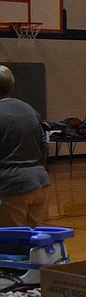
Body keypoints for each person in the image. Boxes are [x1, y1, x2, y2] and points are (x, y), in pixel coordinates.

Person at [0, 66, 51, 227]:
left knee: (11, 244)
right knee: (31, 242)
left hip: (12, 186)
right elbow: (44, 146)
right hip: (39, 182)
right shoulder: (29, 109)